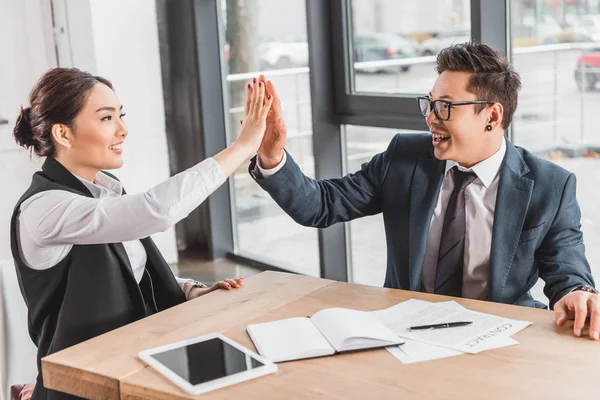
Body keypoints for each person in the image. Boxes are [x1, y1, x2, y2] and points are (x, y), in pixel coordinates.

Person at [250, 42, 600, 340]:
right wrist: (272, 155)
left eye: (444, 106)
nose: (431, 118)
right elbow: (320, 205)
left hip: (499, 338)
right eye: (430, 104)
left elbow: (567, 270)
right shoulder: (404, 157)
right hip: (406, 331)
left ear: (492, 116)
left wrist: (577, 293)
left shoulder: (550, 185)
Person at [11, 68, 272, 400]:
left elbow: (128, 273)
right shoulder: (44, 208)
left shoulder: (104, 194)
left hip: (131, 365)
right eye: (107, 119)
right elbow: (155, 211)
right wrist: (243, 147)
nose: (123, 131)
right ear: (63, 134)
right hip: (82, 387)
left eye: (121, 116)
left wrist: (189, 290)